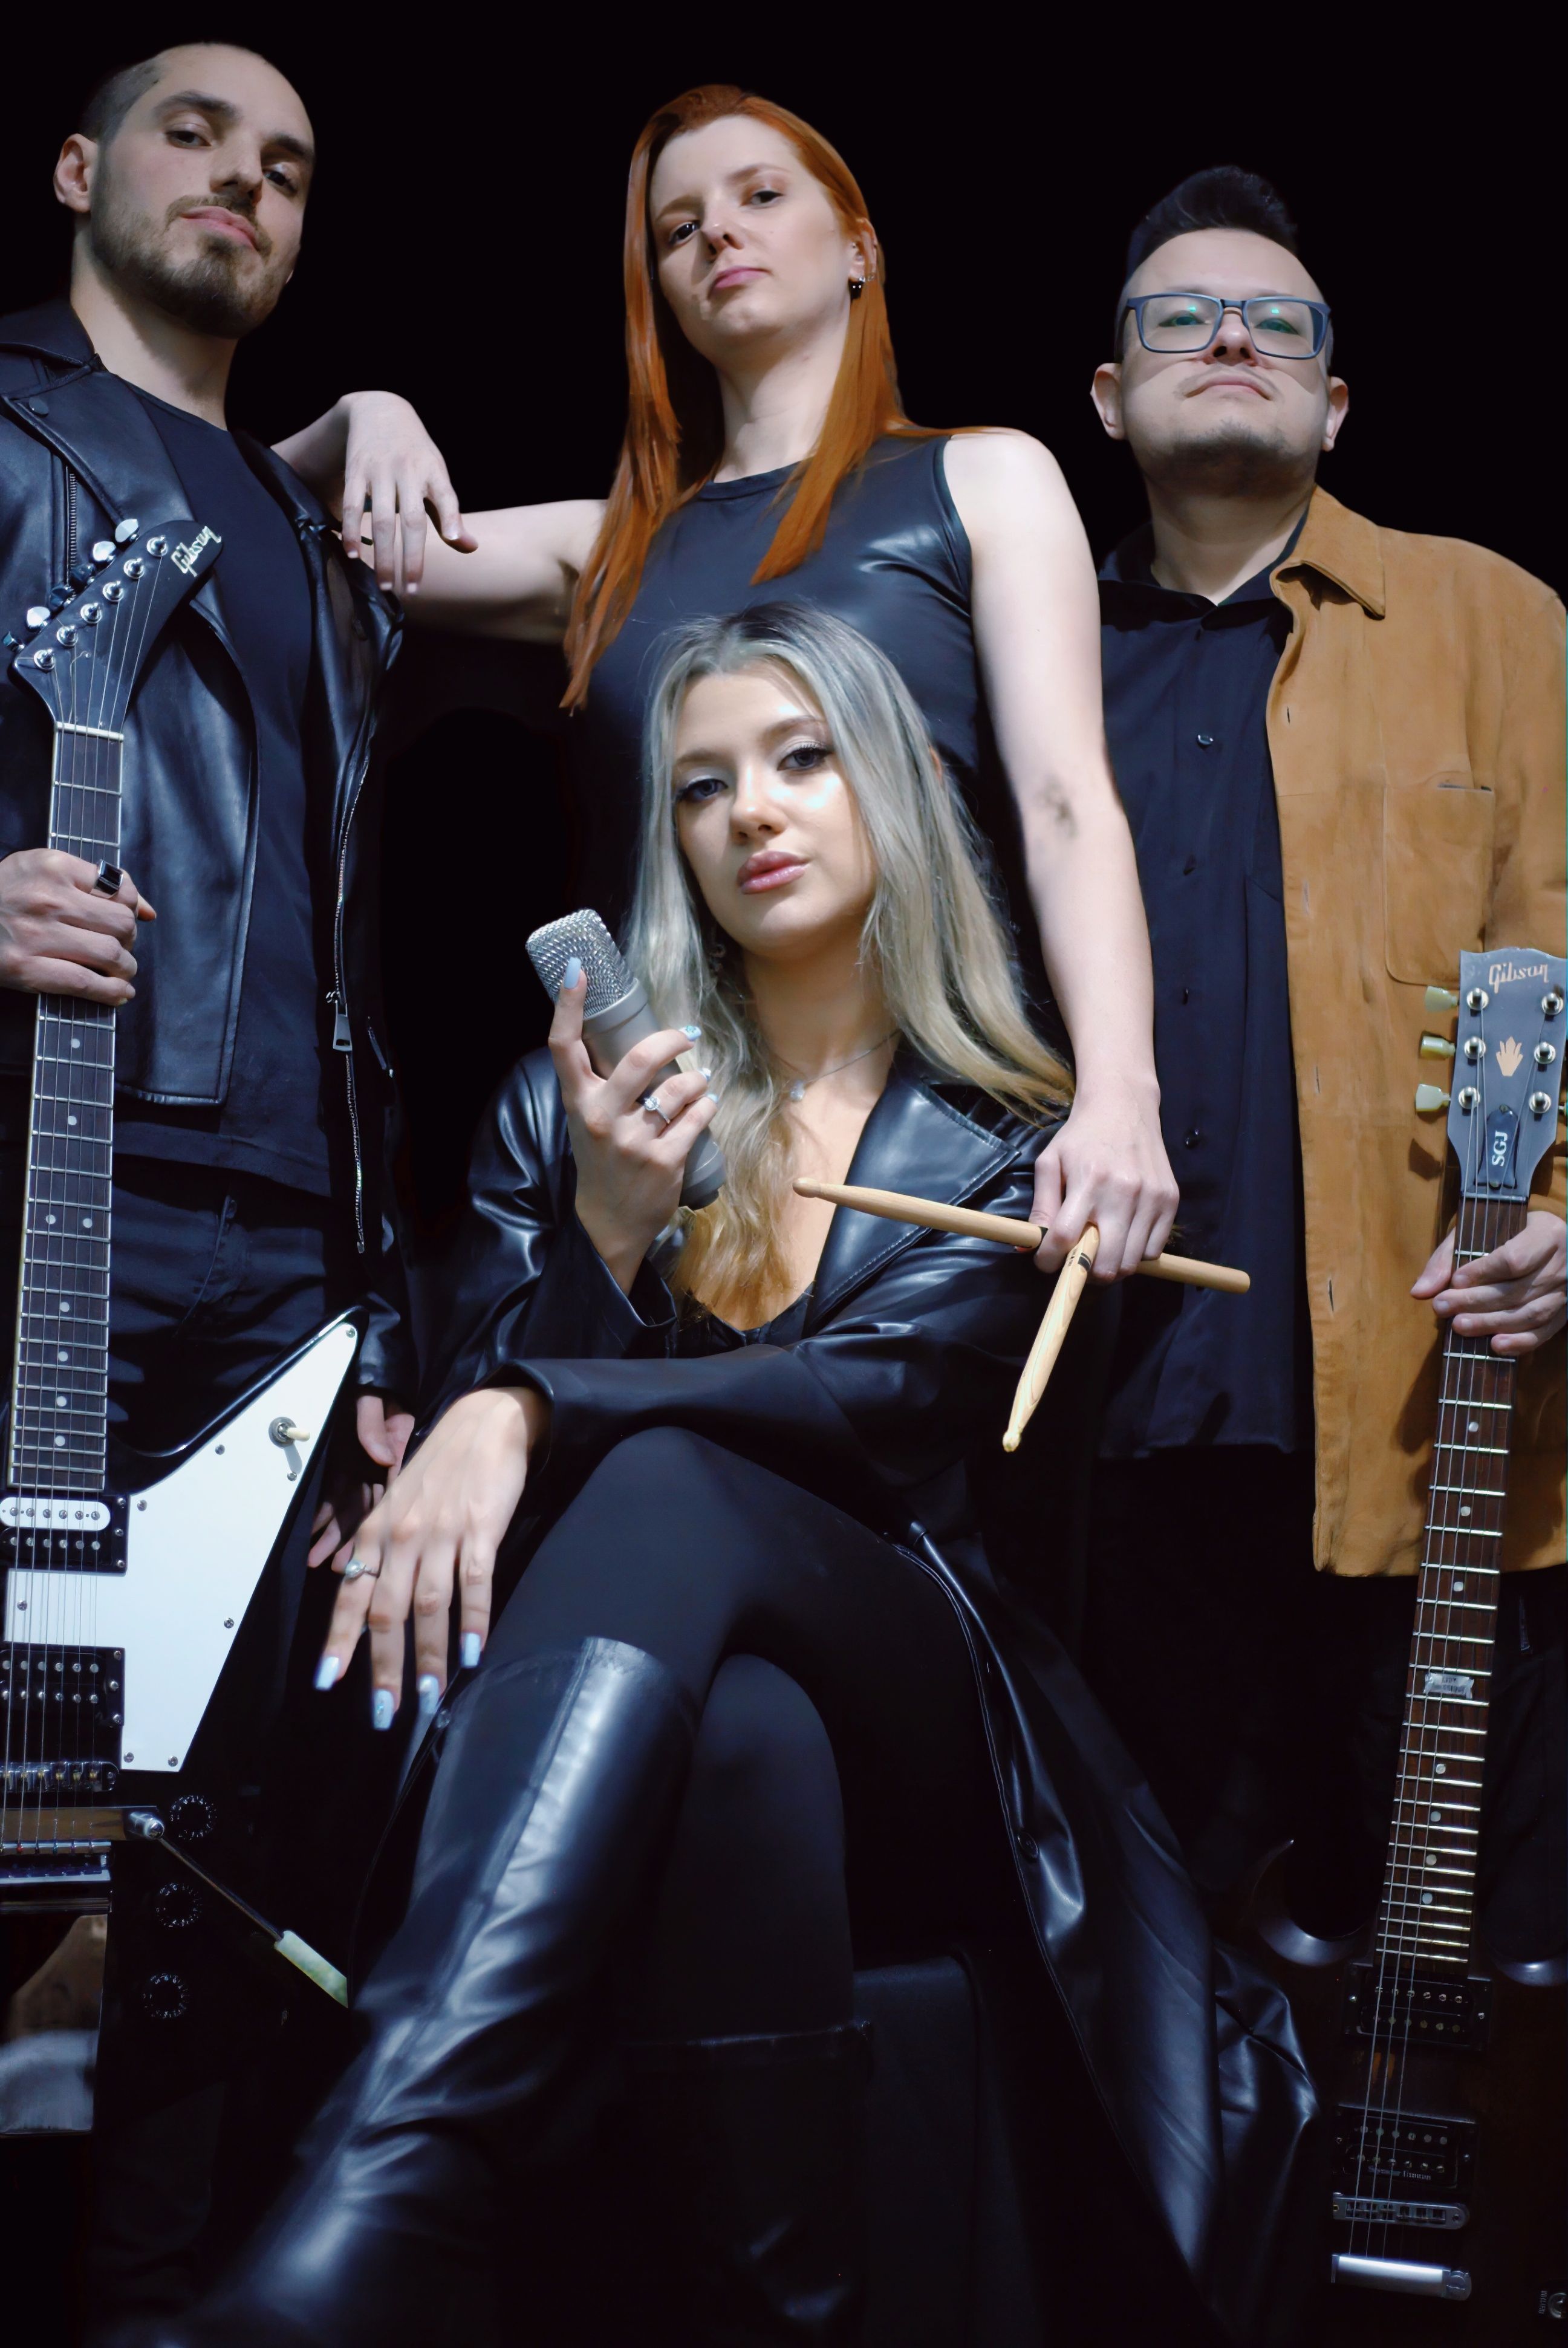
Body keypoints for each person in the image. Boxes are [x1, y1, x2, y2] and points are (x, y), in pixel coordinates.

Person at [168, 607, 1314, 2347]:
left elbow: (862, 1416)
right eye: (701, 786)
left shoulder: (1019, 1140)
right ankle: (720, 2292)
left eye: (800, 760)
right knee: (741, 1734)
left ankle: (388, 2175)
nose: (750, 812)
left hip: (926, 1695)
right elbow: (481, 1498)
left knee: (675, 1481)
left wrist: (531, 1399)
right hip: (673, 1696)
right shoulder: (565, 1111)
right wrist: (605, 1236)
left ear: (894, 792)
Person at [279, 80, 1180, 1289]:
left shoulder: (985, 479)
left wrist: (1120, 1093)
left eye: (759, 195)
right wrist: (360, 421)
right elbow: (241, 529)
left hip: (935, 1135)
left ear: (858, 249)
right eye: (678, 226)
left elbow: (1067, 803)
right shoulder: (609, 547)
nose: (717, 233)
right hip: (678, 1142)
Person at [0, 39, 444, 2327]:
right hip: (40, 1210)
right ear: (81, 167)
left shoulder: (302, 527)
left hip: (288, 1265)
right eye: (195, 136)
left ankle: (152, 2297)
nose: (244, 185)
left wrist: (378, 1306)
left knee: (205, 1853)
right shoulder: (2, 428)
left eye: (287, 167)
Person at [1081, 168, 1565, 1946]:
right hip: (1099, 1437)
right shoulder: (1027, 656)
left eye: (1275, 321)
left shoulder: (1493, 621)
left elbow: (1564, 927)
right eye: (1180, 316)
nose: (1230, 336)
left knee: (1465, 1978)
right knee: (1143, 1987)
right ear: (1108, 397)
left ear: (1335, 400)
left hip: (1427, 1425)